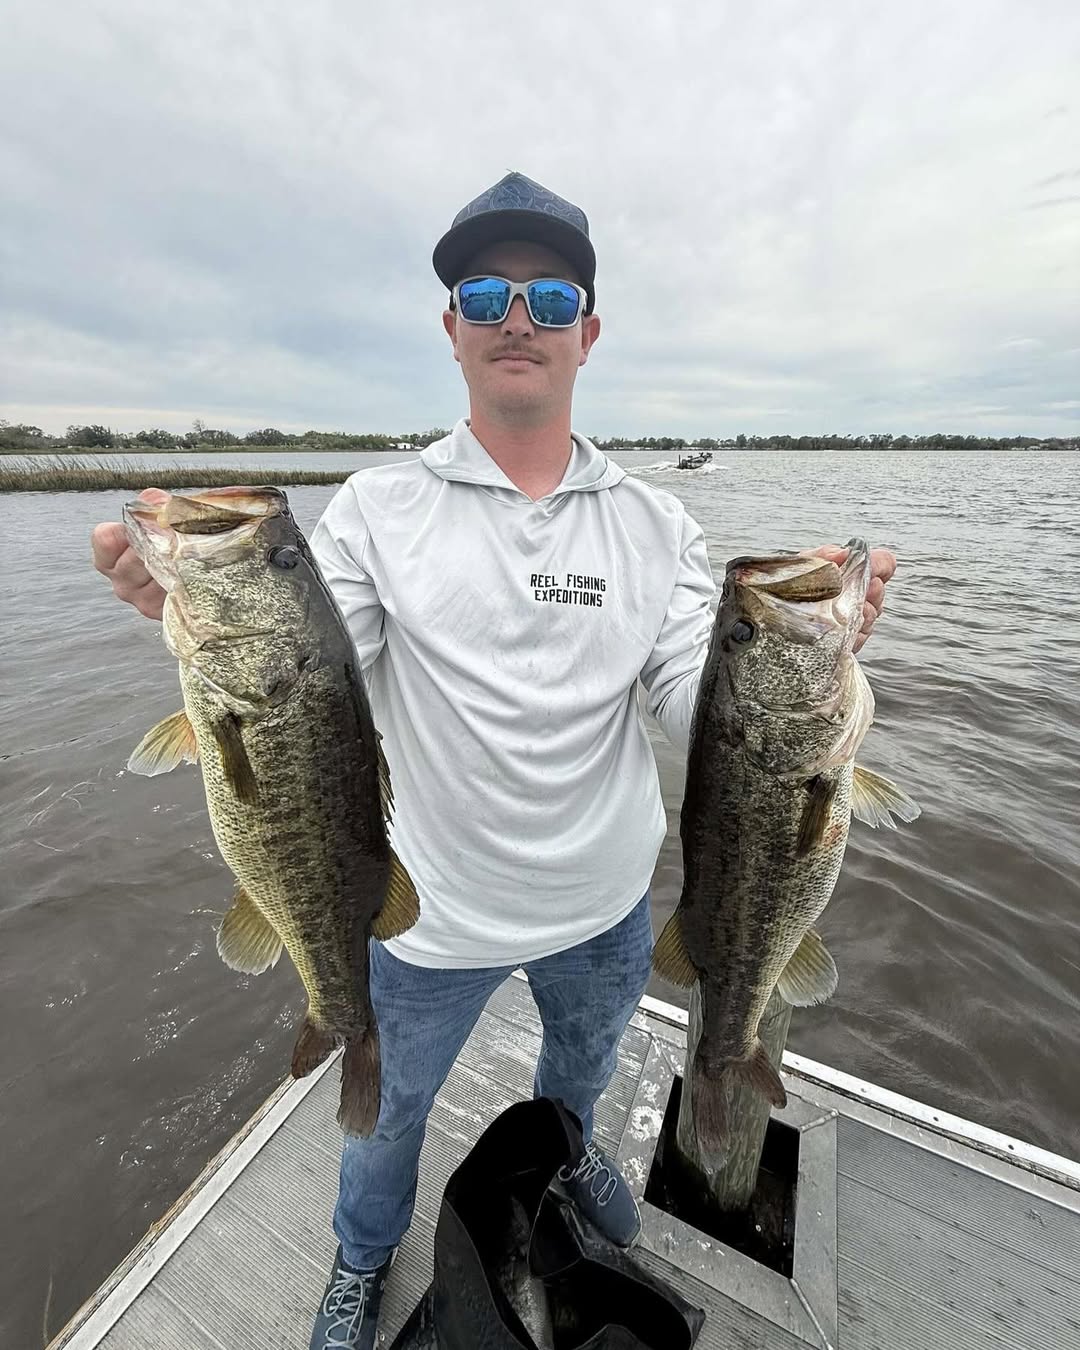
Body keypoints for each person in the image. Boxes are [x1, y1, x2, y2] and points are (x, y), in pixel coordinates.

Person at [91, 172, 896, 1350]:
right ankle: (363, 1254)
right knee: (385, 1113)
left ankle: (563, 1173)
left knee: (581, 1075)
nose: (518, 318)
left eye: (549, 297)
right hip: (429, 920)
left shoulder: (657, 526)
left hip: (603, 914)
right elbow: (319, 672)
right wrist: (198, 621)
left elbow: (689, 694)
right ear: (453, 328)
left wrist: (797, 671)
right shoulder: (375, 510)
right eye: (486, 296)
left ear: (588, 333)